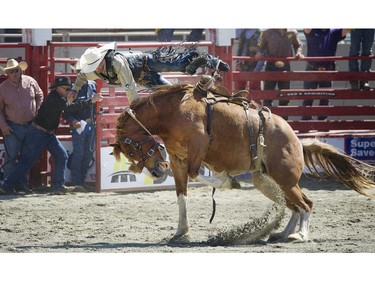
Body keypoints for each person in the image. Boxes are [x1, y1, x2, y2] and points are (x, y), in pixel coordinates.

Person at [0, 77, 103, 196]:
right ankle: (8, 185)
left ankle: (57, 185)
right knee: (31, 161)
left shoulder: (56, 97)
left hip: (44, 132)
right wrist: (91, 101)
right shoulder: (56, 99)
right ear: (58, 88)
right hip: (40, 133)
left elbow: (69, 107)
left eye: (69, 88)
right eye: (66, 88)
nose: (68, 90)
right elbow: (70, 107)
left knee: (59, 156)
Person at [71, 42, 230, 104]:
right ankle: (197, 63)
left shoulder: (116, 62)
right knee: (172, 94)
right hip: (144, 79)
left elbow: (128, 85)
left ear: (101, 59)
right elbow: (82, 76)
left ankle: (205, 58)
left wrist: (135, 105)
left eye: (97, 64)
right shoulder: (93, 72)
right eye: (93, 67)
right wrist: (74, 89)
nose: (97, 68)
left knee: (182, 66)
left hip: (148, 62)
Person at [0, 58, 44, 192]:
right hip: (13, 127)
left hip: (30, 125)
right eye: (12, 71)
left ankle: (22, 184)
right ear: (7, 73)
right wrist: (4, 126)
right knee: (11, 157)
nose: (15, 73)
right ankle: (8, 186)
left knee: (26, 157)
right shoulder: (2, 88)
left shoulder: (30, 81)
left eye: (17, 70)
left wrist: (37, 111)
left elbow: (40, 95)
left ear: (20, 70)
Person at [302, 29, 350, 121]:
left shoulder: (333, 32)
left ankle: (322, 123)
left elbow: (346, 29)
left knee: (325, 98)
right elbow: (306, 29)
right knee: (308, 96)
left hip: (327, 70)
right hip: (312, 69)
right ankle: (306, 123)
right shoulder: (312, 30)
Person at [63, 62, 97, 191]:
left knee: (87, 154)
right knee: (79, 153)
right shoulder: (73, 89)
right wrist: (72, 120)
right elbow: (66, 110)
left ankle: (80, 181)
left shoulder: (92, 85)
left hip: (90, 124)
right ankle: (77, 182)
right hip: (78, 125)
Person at [255, 29, 304, 114]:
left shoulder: (292, 32)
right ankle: (268, 121)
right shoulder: (267, 32)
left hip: (285, 66)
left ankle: (284, 121)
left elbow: (298, 45)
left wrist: (298, 53)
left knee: (285, 96)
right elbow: (259, 46)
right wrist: (259, 53)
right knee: (268, 96)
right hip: (271, 66)